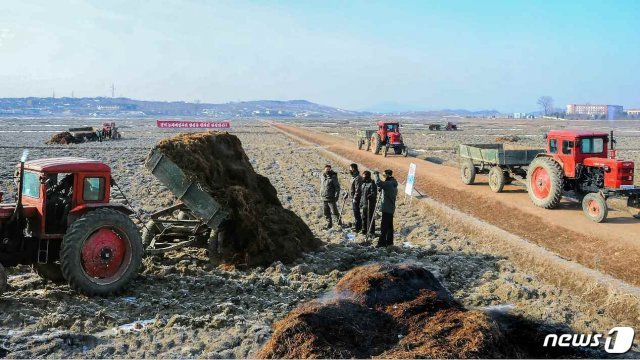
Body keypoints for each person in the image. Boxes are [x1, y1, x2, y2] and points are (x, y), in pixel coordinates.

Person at [374, 169, 398, 247]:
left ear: (388, 175)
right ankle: (389, 242)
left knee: (384, 226)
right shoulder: (393, 183)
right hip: (390, 208)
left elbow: (378, 182)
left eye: (384, 175)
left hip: (387, 208)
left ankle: (381, 243)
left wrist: (376, 174)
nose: (383, 177)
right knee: (389, 226)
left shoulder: (389, 184)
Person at [320, 164, 341, 229]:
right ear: (324, 170)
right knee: (326, 213)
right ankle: (329, 224)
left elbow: (337, 187)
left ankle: (339, 223)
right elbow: (317, 175)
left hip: (331, 198)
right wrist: (312, 173)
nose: (327, 170)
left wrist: (336, 196)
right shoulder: (322, 176)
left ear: (330, 169)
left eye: (329, 169)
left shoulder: (333, 177)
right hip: (324, 198)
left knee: (334, 212)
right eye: (326, 169)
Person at [345, 163, 363, 232]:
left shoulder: (358, 177)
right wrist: (347, 193)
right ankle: (357, 224)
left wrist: (355, 198)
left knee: (356, 212)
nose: (349, 170)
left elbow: (358, 189)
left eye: (350, 168)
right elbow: (351, 187)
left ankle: (358, 227)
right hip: (353, 197)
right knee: (355, 212)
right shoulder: (353, 176)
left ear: (353, 168)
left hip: (357, 198)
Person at [359, 170, 377, 237]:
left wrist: (371, 195)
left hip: (370, 204)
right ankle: (364, 230)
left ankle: (371, 232)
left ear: (367, 176)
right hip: (364, 203)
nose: (362, 177)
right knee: (364, 217)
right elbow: (362, 194)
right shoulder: (363, 183)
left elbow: (374, 193)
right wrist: (361, 203)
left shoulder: (372, 183)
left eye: (363, 176)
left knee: (370, 218)